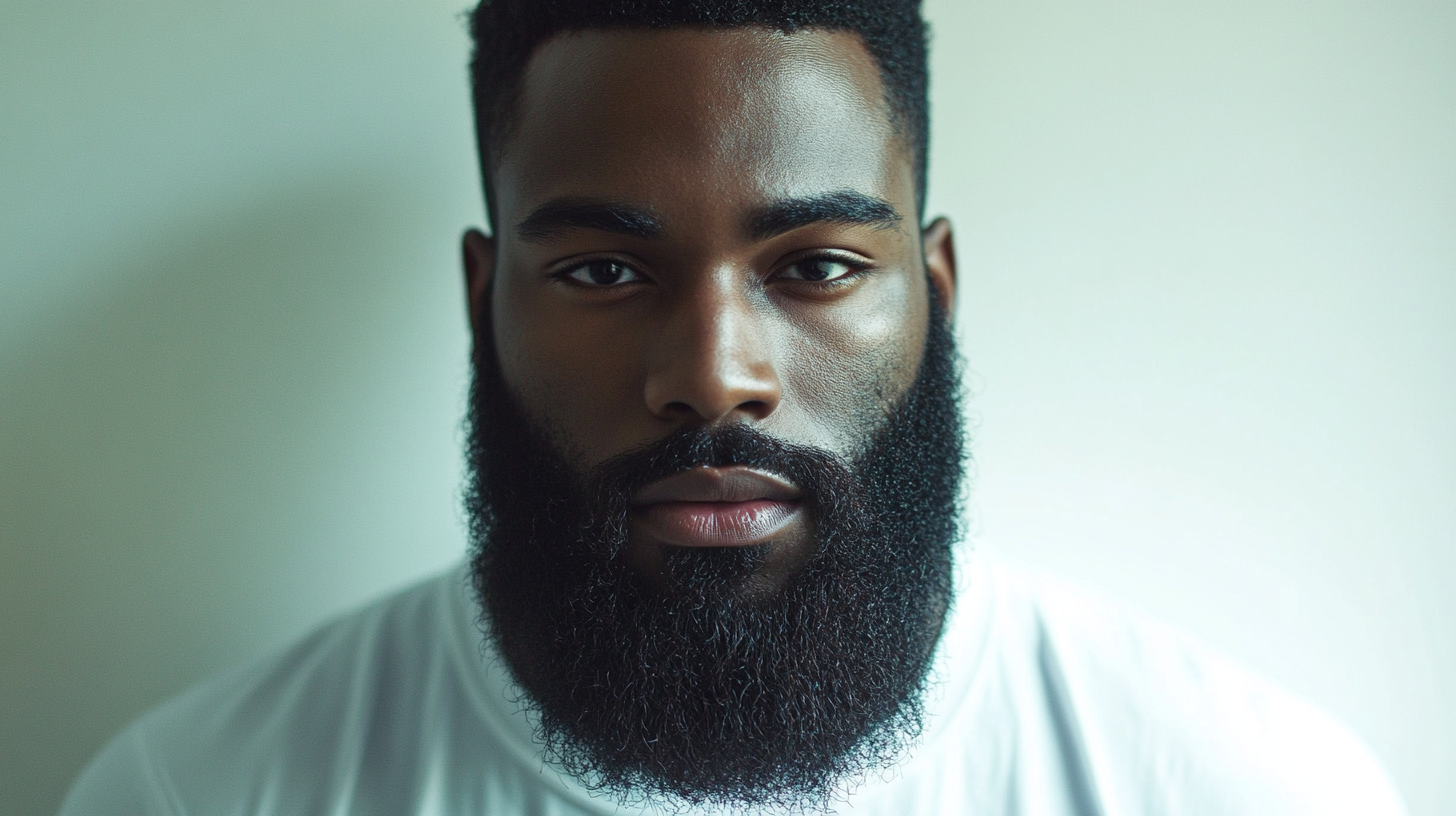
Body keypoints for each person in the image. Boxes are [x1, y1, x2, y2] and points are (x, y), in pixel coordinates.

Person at [59, 1, 1407, 814]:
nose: (713, 375)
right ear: (484, 298)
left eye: (816, 267)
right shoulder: (194, 794)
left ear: (932, 288)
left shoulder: (1249, 788)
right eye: (601, 269)